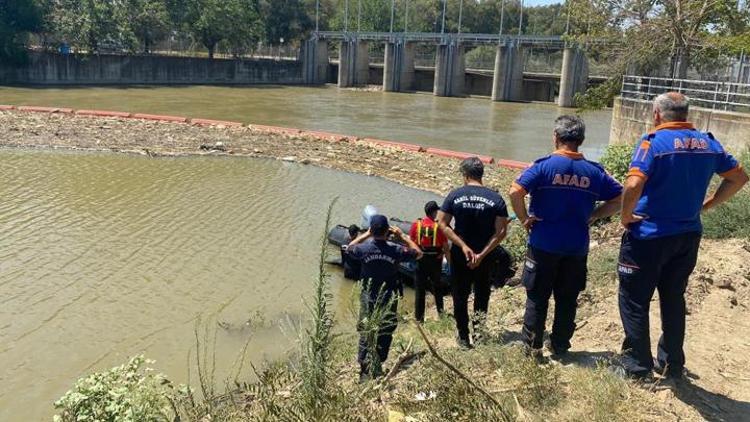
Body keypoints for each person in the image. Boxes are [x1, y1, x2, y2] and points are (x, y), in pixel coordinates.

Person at [618, 92, 748, 379]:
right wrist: (709, 205)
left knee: (634, 300)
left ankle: (637, 368)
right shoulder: (708, 142)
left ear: (656, 115)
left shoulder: (652, 142)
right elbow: (739, 177)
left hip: (649, 237)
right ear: (687, 115)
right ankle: (671, 364)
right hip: (687, 236)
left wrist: (626, 216)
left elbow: (633, 184)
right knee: (673, 297)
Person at [509, 115, 623, 359]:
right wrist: (594, 215)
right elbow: (620, 198)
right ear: (581, 140)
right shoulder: (595, 172)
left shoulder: (543, 166)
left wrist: (524, 219)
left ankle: (531, 348)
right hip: (576, 246)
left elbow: (515, 191)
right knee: (568, 297)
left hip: (543, 244)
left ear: (556, 137)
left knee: (537, 296)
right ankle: (560, 346)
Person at [438, 157, 509, 348]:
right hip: (485, 258)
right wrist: (483, 253)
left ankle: (463, 337)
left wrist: (463, 246)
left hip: (461, 256)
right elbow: (501, 231)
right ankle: (478, 335)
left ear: (465, 175)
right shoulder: (495, 198)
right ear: (481, 174)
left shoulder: (455, 195)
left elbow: (442, 224)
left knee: (459, 296)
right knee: (482, 294)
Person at [348, 215, 423, 381]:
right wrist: (402, 236)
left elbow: (349, 247)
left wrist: (366, 234)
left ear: (372, 230)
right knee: (386, 330)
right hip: (389, 297)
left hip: (368, 297)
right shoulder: (395, 249)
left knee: (366, 331)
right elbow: (418, 253)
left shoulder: (364, 249)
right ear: (387, 231)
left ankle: (365, 370)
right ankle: (378, 363)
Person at [409, 201, 449, 322]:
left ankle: (419, 318)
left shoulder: (417, 224)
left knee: (420, 290)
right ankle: (441, 314)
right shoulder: (439, 226)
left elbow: (412, 243)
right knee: (437, 287)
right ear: (435, 212)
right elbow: (446, 246)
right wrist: (444, 254)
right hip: (435, 261)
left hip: (421, 261)